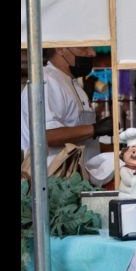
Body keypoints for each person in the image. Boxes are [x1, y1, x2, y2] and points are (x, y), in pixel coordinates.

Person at [20, 47, 114, 181]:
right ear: (60, 49)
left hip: (77, 179)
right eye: (84, 47)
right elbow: (46, 135)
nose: (92, 53)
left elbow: (82, 140)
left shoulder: (70, 81)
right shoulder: (46, 81)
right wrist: (95, 129)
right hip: (52, 183)